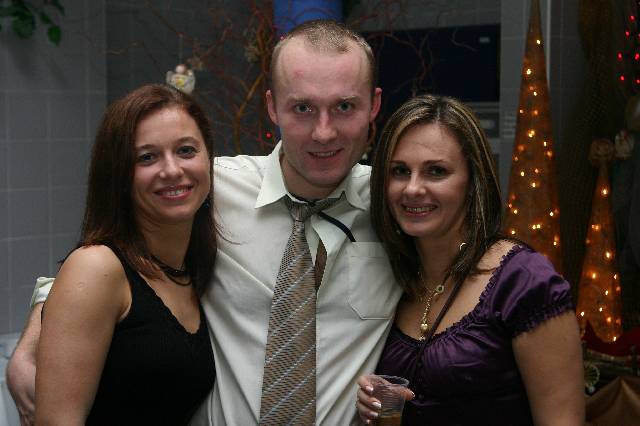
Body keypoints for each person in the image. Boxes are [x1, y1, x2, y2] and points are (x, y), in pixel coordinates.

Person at [7, 20, 403, 425]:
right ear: (272, 107)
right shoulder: (205, 188)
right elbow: (110, 262)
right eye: (302, 108)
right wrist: (35, 335)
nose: (324, 132)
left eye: (344, 107)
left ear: (373, 105)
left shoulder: (396, 207)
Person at [356, 95, 585, 425]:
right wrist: (372, 402)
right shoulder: (391, 273)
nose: (413, 188)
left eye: (436, 171)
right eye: (400, 171)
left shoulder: (524, 282)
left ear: (473, 180)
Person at [33, 84, 217, 424]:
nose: (172, 170)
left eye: (186, 150)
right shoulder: (97, 266)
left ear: (209, 158)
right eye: (147, 157)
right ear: (118, 173)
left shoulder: (193, 266)